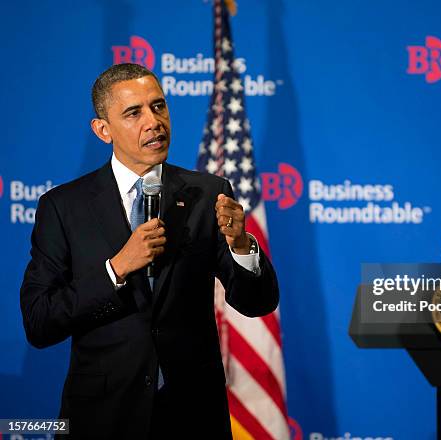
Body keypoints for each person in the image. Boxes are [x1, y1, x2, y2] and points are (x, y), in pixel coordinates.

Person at [19, 63, 279, 439]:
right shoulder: (63, 207)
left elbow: (258, 303)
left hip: (192, 414)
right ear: (103, 129)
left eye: (158, 106)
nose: (153, 121)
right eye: (133, 112)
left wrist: (241, 245)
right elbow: (39, 322)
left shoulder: (207, 193)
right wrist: (117, 268)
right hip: (102, 417)